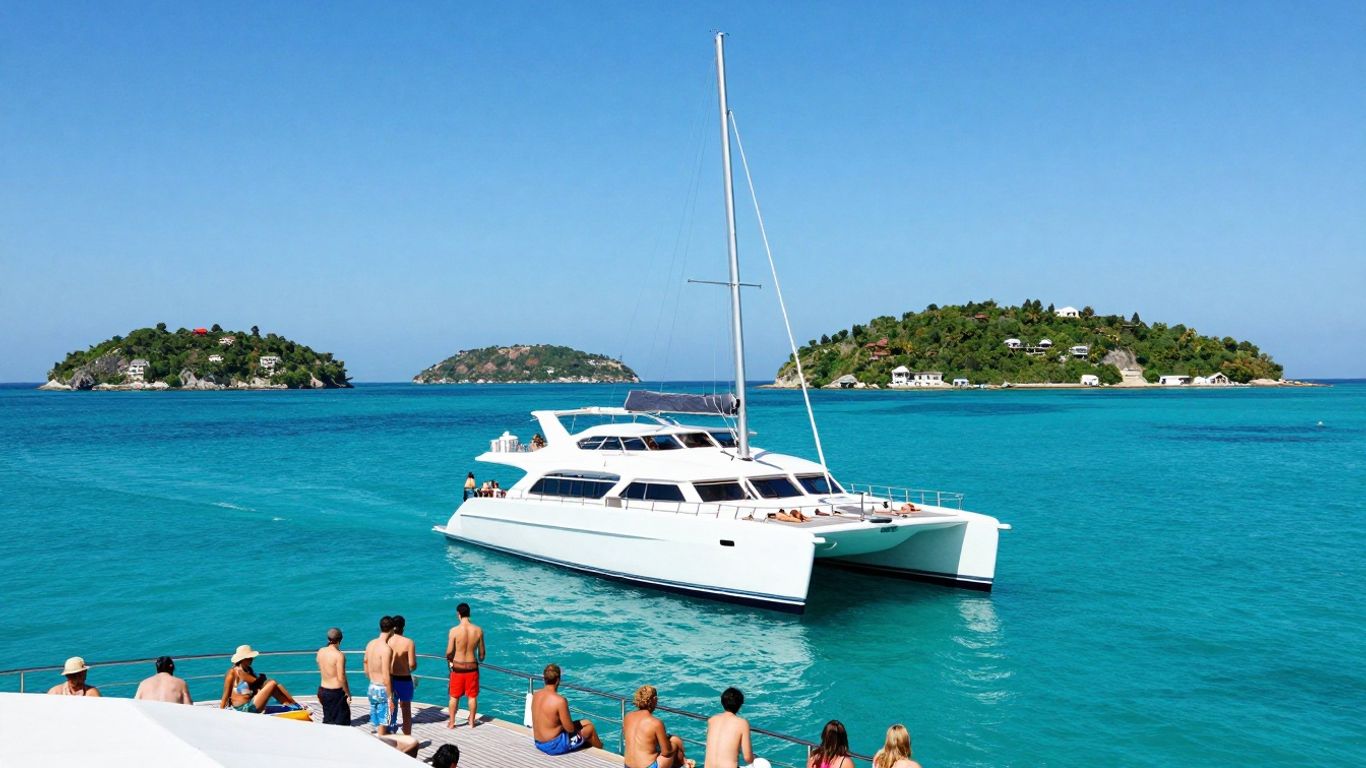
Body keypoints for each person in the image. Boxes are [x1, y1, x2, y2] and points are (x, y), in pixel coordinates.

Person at [531, 663, 602, 755]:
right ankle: (602, 752)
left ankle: (596, 746)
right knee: (590, 728)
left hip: (538, 742)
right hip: (553, 746)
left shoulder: (536, 694)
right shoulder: (560, 700)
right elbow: (570, 729)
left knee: (586, 722)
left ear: (544, 679)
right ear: (558, 680)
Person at [219, 645, 301, 713]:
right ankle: (292, 706)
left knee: (273, 683)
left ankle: (292, 704)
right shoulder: (232, 672)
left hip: (251, 704)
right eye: (249, 658)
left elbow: (257, 687)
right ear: (242, 659)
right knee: (272, 683)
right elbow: (225, 695)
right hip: (243, 709)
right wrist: (221, 713)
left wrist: (260, 682)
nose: (251, 659)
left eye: (251, 657)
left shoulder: (249, 670)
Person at [624, 685, 689, 768]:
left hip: (628, 766)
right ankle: (685, 764)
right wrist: (675, 743)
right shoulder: (655, 723)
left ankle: (685, 763)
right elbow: (666, 752)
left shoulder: (628, 716)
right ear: (654, 699)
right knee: (676, 741)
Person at [445, 602, 485, 729]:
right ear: (469, 614)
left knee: (454, 696)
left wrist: (450, 661)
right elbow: (482, 654)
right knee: (472, 697)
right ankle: (472, 722)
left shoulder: (454, 631)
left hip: (457, 668)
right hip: (472, 667)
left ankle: (452, 722)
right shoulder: (478, 630)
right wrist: (479, 658)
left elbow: (449, 652)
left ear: (459, 614)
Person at [704, 687, 753, 768]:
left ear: (722, 702)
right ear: (740, 705)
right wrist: (754, 758)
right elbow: (748, 758)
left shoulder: (712, 720)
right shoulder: (742, 723)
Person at [364, 616, 397, 735]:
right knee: (383, 723)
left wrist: (371, 678)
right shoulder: (386, 649)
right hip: (382, 689)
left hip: (372, 686)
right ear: (393, 629)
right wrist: (390, 698)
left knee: (375, 722)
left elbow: (365, 663)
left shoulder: (370, 644)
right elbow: (386, 675)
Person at [388, 615, 418, 735]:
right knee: (406, 710)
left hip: (390, 678)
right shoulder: (408, 642)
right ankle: (407, 737)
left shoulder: (387, 641)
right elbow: (412, 664)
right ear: (403, 627)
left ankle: (390, 731)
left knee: (391, 707)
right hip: (404, 679)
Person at [316, 627, 351, 726]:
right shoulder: (339, 655)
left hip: (323, 690)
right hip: (336, 693)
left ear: (328, 639)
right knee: (343, 722)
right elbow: (341, 677)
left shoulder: (320, 651)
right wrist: (348, 693)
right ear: (340, 640)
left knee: (328, 721)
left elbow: (320, 667)